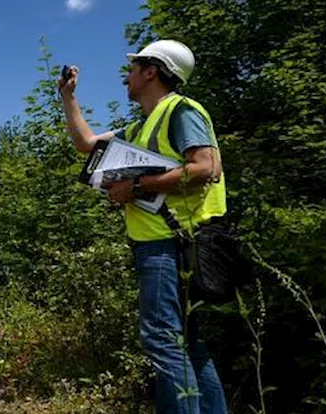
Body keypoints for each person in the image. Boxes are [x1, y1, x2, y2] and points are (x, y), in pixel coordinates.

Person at [59, 40, 229, 414]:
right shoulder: (140, 127)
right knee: (189, 343)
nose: (127, 75)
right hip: (164, 243)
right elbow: (86, 143)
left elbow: (206, 168)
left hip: (172, 244)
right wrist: (68, 98)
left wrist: (136, 187)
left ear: (151, 71)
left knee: (163, 340)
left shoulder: (182, 111)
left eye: (134, 68)